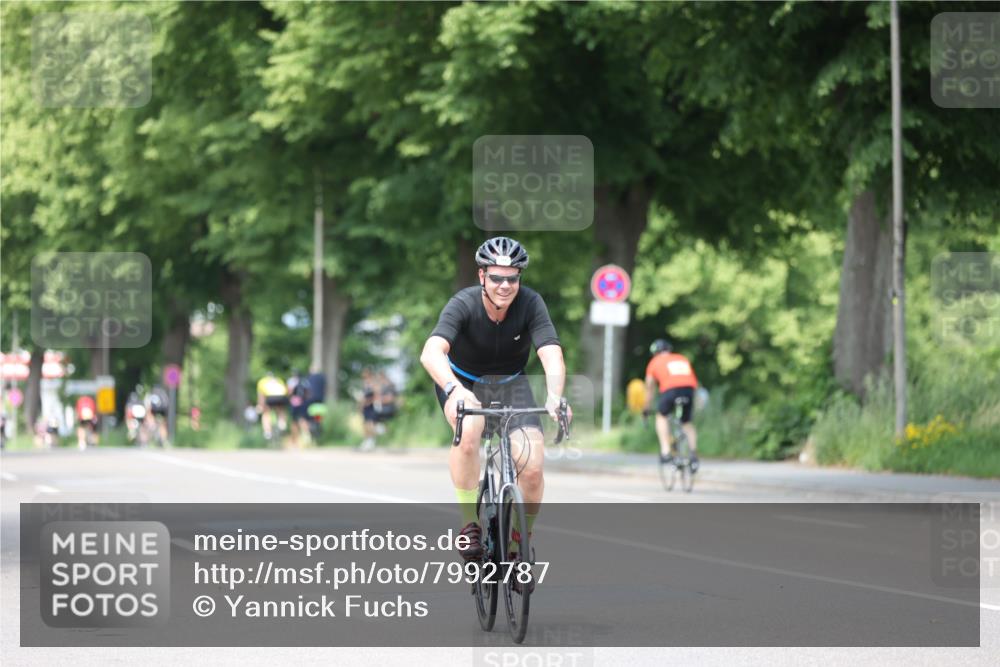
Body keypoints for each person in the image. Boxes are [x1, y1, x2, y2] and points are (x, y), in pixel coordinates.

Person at [420, 236, 570, 571]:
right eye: (497, 277)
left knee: (531, 467)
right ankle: (468, 524)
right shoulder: (464, 304)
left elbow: (551, 354)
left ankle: (520, 545)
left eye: (512, 278)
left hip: (510, 384)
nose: (505, 285)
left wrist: (555, 395)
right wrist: (453, 388)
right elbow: (431, 352)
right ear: (482, 277)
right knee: (470, 428)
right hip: (463, 383)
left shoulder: (531, 304)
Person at [644, 339, 699, 471]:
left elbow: (650, 389)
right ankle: (693, 455)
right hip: (689, 389)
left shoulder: (654, 362)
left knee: (661, 417)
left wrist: (646, 408)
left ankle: (666, 451)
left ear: (655, 353)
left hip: (670, 390)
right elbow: (692, 379)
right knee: (687, 423)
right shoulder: (681, 358)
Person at [256, 371, 288, 441]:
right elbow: (285, 391)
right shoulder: (279, 380)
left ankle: (267, 432)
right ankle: (282, 424)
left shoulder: (262, 381)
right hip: (281, 397)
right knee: (281, 410)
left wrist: (260, 405)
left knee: (266, 413)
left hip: (270, 397)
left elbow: (261, 396)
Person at [287, 369, 312, 448]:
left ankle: (295, 441)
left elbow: (289, 392)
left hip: (294, 403)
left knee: (294, 422)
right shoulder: (305, 381)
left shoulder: (291, 381)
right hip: (304, 403)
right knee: (303, 419)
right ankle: (307, 436)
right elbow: (308, 393)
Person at [358, 369, 378, 451]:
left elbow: (375, 395)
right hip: (365, 407)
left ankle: (372, 441)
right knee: (365, 425)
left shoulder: (373, 385)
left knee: (370, 424)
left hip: (371, 407)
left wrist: (368, 402)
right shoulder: (364, 385)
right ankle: (366, 440)